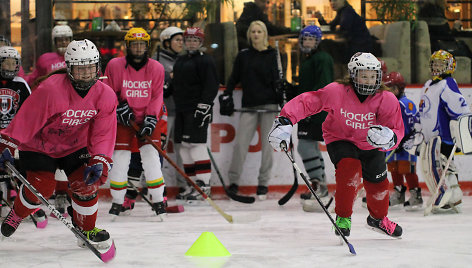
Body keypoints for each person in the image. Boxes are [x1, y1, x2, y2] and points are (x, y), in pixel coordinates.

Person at [268, 52, 404, 238]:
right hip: (341, 139)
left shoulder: (387, 99)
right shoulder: (336, 91)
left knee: (378, 183)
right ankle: (343, 217)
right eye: (363, 75)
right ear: (353, 75)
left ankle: (378, 219)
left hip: (370, 145)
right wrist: (285, 120)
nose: (368, 81)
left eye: (373, 76)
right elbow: (308, 102)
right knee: (350, 170)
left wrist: (390, 139)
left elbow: (395, 128)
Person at [0, 39, 117, 251]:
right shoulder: (51, 89)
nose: (86, 74)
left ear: (98, 67)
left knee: (87, 184)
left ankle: (87, 229)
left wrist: (100, 159)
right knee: (42, 187)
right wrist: (7, 144)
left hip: (74, 146)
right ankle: (17, 213)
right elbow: (27, 120)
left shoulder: (105, 94)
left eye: (90, 67)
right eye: (80, 69)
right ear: (69, 68)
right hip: (38, 145)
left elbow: (104, 132)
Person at [103, 27, 166, 217]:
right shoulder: (114, 65)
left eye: (142, 45)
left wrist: (150, 118)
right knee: (120, 159)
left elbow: (157, 96)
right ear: (127, 46)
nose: (138, 48)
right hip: (124, 120)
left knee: (151, 158)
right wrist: (117, 107)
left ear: (147, 46)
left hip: (147, 120)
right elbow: (107, 91)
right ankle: (117, 201)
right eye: (134, 44)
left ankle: (158, 200)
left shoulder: (156, 68)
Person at [219, 20, 280, 200]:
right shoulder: (243, 55)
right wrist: (227, 94)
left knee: (268, 148)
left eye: (259, 31)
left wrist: (283, 94)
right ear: (249, 35)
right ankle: (234, 181)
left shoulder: (273, 54)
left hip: (269, 105)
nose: (255, 35)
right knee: (240, 145)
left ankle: (263, 183)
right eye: (253, 31)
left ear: (265, 34)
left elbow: (278, 80)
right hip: (249, 105)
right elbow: (234, 77)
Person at [418, 49, 469, 213]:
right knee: (442, 165)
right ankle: (454, 196)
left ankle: (443, 194)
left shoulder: (447, 83)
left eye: (441, 64)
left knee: (439, 165)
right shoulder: (428, 85)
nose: (437, 67)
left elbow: (460, 107)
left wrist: (462, 127)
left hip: (442, 136)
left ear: (449, 66)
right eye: (435, 63)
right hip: (430, 136)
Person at [172, 27, 218, 203]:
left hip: (197, 109)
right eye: (188, 39)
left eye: (194, 40)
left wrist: (204, 105)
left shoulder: (206, 61)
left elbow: (211, 85)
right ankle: (192, 184)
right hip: (182, 109)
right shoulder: (181, 60)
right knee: (184, 147)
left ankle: (203, 186)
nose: (191, 43)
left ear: (200, 42)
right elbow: (178, 84)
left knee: (197, 146)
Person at [293, 25, 334, 211]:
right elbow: (306, 87)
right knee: (310, 146)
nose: (307, 42)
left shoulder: (322, 58)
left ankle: (318, 185)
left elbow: (322, 86)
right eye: (305, 38)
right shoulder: (309, 59)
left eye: (311, 38)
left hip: (316, 110)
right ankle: (321, 186)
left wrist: (312, 109)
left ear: (318, 41)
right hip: (308, 109)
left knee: (305, 146)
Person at [152, 26, 188, 197]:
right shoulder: (157, 60)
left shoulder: (184, 59)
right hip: (164, 111)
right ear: (167, 42)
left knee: (181, 149)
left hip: (180, 110)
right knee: (159, 149)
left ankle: (183, 185)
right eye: (177, 40)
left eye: (182, 40)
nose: (181, 43)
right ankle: (155, 185)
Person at [383, 71, 423, 211]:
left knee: (407, 169)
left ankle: (415, 195)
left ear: (398, 88)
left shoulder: (404, 104)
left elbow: (410, 124)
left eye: (390, 89)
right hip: (394, 143)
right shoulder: (392, 102)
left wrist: (402, 140)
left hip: (406, 144)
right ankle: (399, 193)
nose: (387, 92)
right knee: (394, 168)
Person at [0, 46, 32, 218]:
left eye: (14, 63)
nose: (11, 66)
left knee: (20, 163)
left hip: (14, 135)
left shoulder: (21, 83)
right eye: (7, 63)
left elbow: (30, 110)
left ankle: (19, 192)